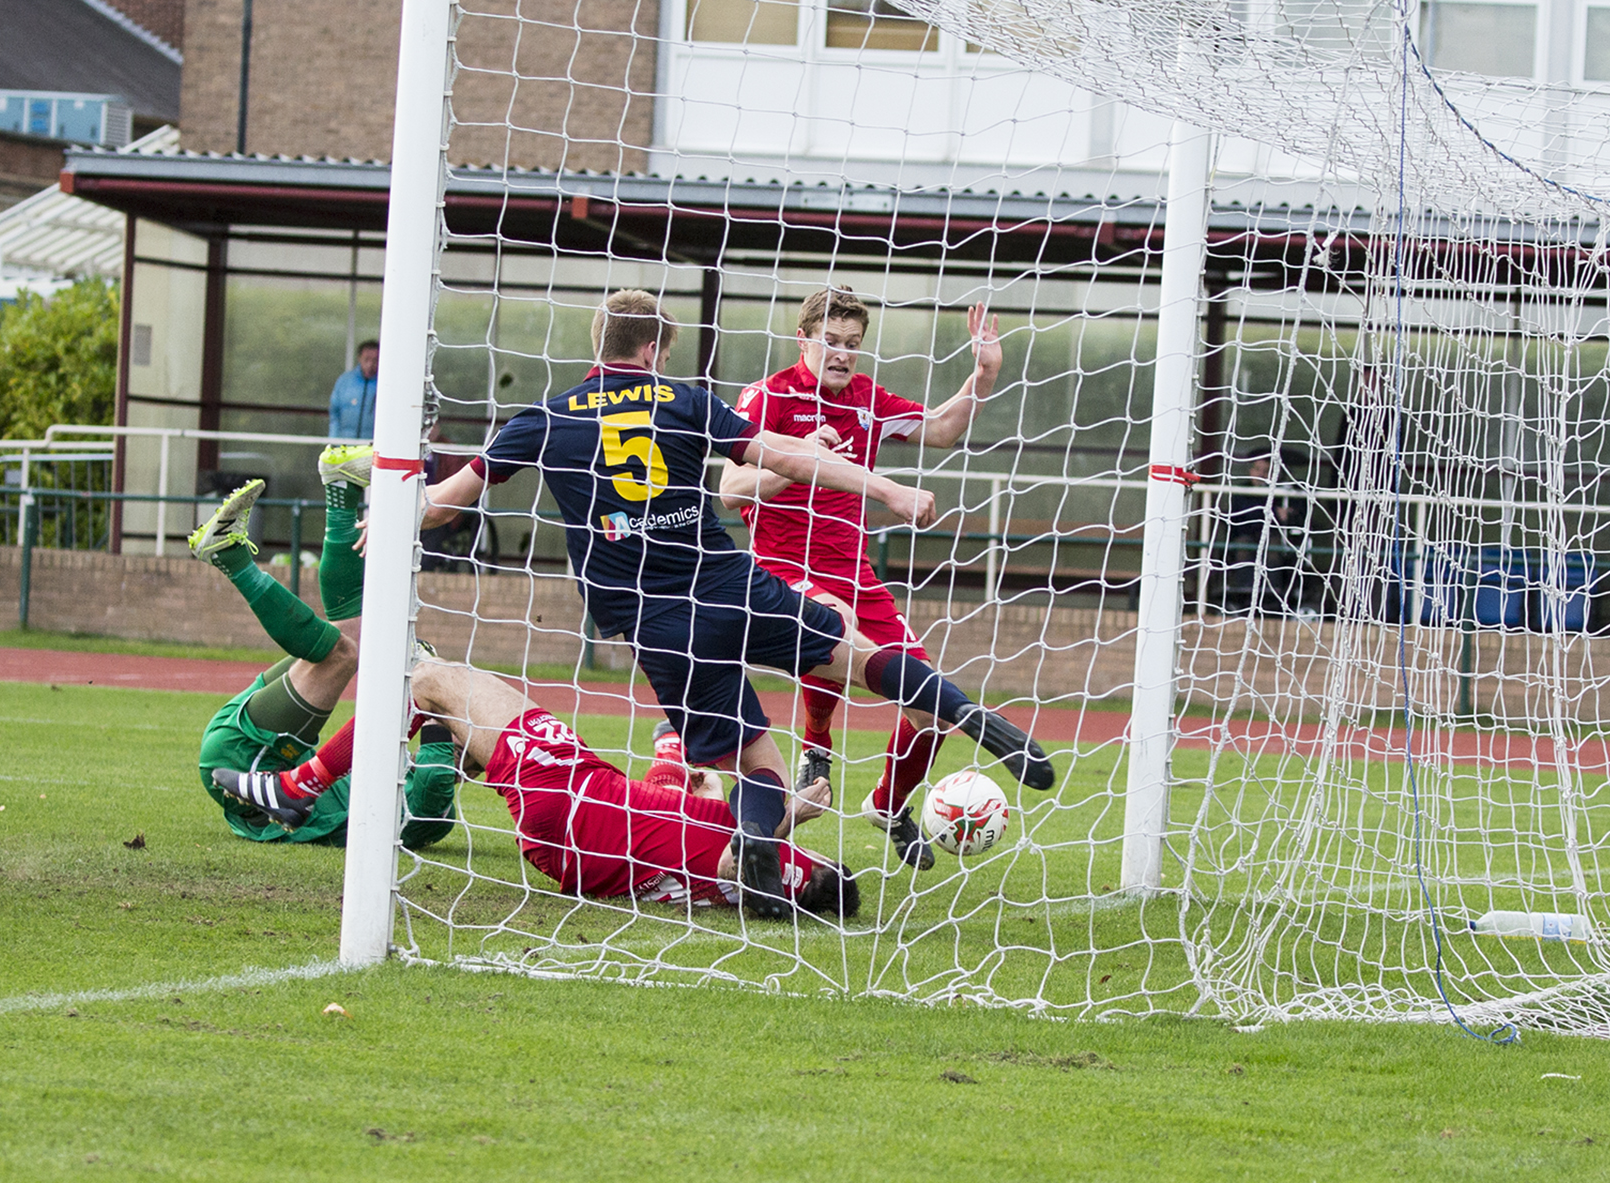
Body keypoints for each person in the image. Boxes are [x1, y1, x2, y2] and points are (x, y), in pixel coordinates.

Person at [420, 289, 1051, 919]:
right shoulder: (688, 399)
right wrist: (886, 488)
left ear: (598, 345)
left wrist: (384, 496)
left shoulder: (544, 418)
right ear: (653, 350)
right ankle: (963, 710)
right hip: (733, 584)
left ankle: (757, 842)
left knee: (755, 759)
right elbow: (775, 459)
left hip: (654, 623)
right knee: (855, 651)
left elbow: (442, 504)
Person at [216, 661, 858, 917]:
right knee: (443, 715)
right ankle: (428, 762)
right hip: (586, 825)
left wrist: (790, 838)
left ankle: (301, 787)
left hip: (577, 801)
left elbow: (753, 873)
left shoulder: (774, 863)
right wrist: (682, 757)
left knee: (429, 679)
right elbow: (676, 820)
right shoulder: (719, 829)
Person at [718, 287, 999, 869]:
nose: (842, 355)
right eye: (831, 342)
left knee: (934, 709)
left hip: (856, 573)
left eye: (852, 345)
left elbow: (943, 429)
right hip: (780, 569)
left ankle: (887, 804)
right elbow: (730, 491)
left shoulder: (868, 400)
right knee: (837, 629)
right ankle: (816, 746)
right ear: (804, 339)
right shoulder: (767, 396)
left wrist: (983, 374)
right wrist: (796, 455)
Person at [187, 444, 461, 847]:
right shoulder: (401, 783)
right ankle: (342, 492)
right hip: (256, 751)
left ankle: (230, 556)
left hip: (254, 766)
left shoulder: (435, 814)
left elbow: (437, 773)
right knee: (355, 636)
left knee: (342, 654)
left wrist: (440, 702)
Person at [1223, 453, 1304, 615]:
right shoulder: (1241, 491)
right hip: (1245, 535)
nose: (1261, 474)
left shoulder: (1283, 491)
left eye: (1266, 471)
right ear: (1250, 471)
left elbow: (1299, 514)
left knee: (1272, 549)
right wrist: (1274, 512)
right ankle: (1243, 595)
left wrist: (1288, 513)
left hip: (1272, 537)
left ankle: (1271, 596)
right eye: (1257, 469)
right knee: (1243, 547)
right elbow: (1241, 516)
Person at [329, 339, 379, 440]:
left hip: (371, 447)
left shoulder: (385, 384)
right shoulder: (345, 381)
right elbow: (335, 413)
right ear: (359, 358)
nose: (370, 365)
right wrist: (333, 441)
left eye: (375, 360)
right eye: (366, 359)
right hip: (345, 447)